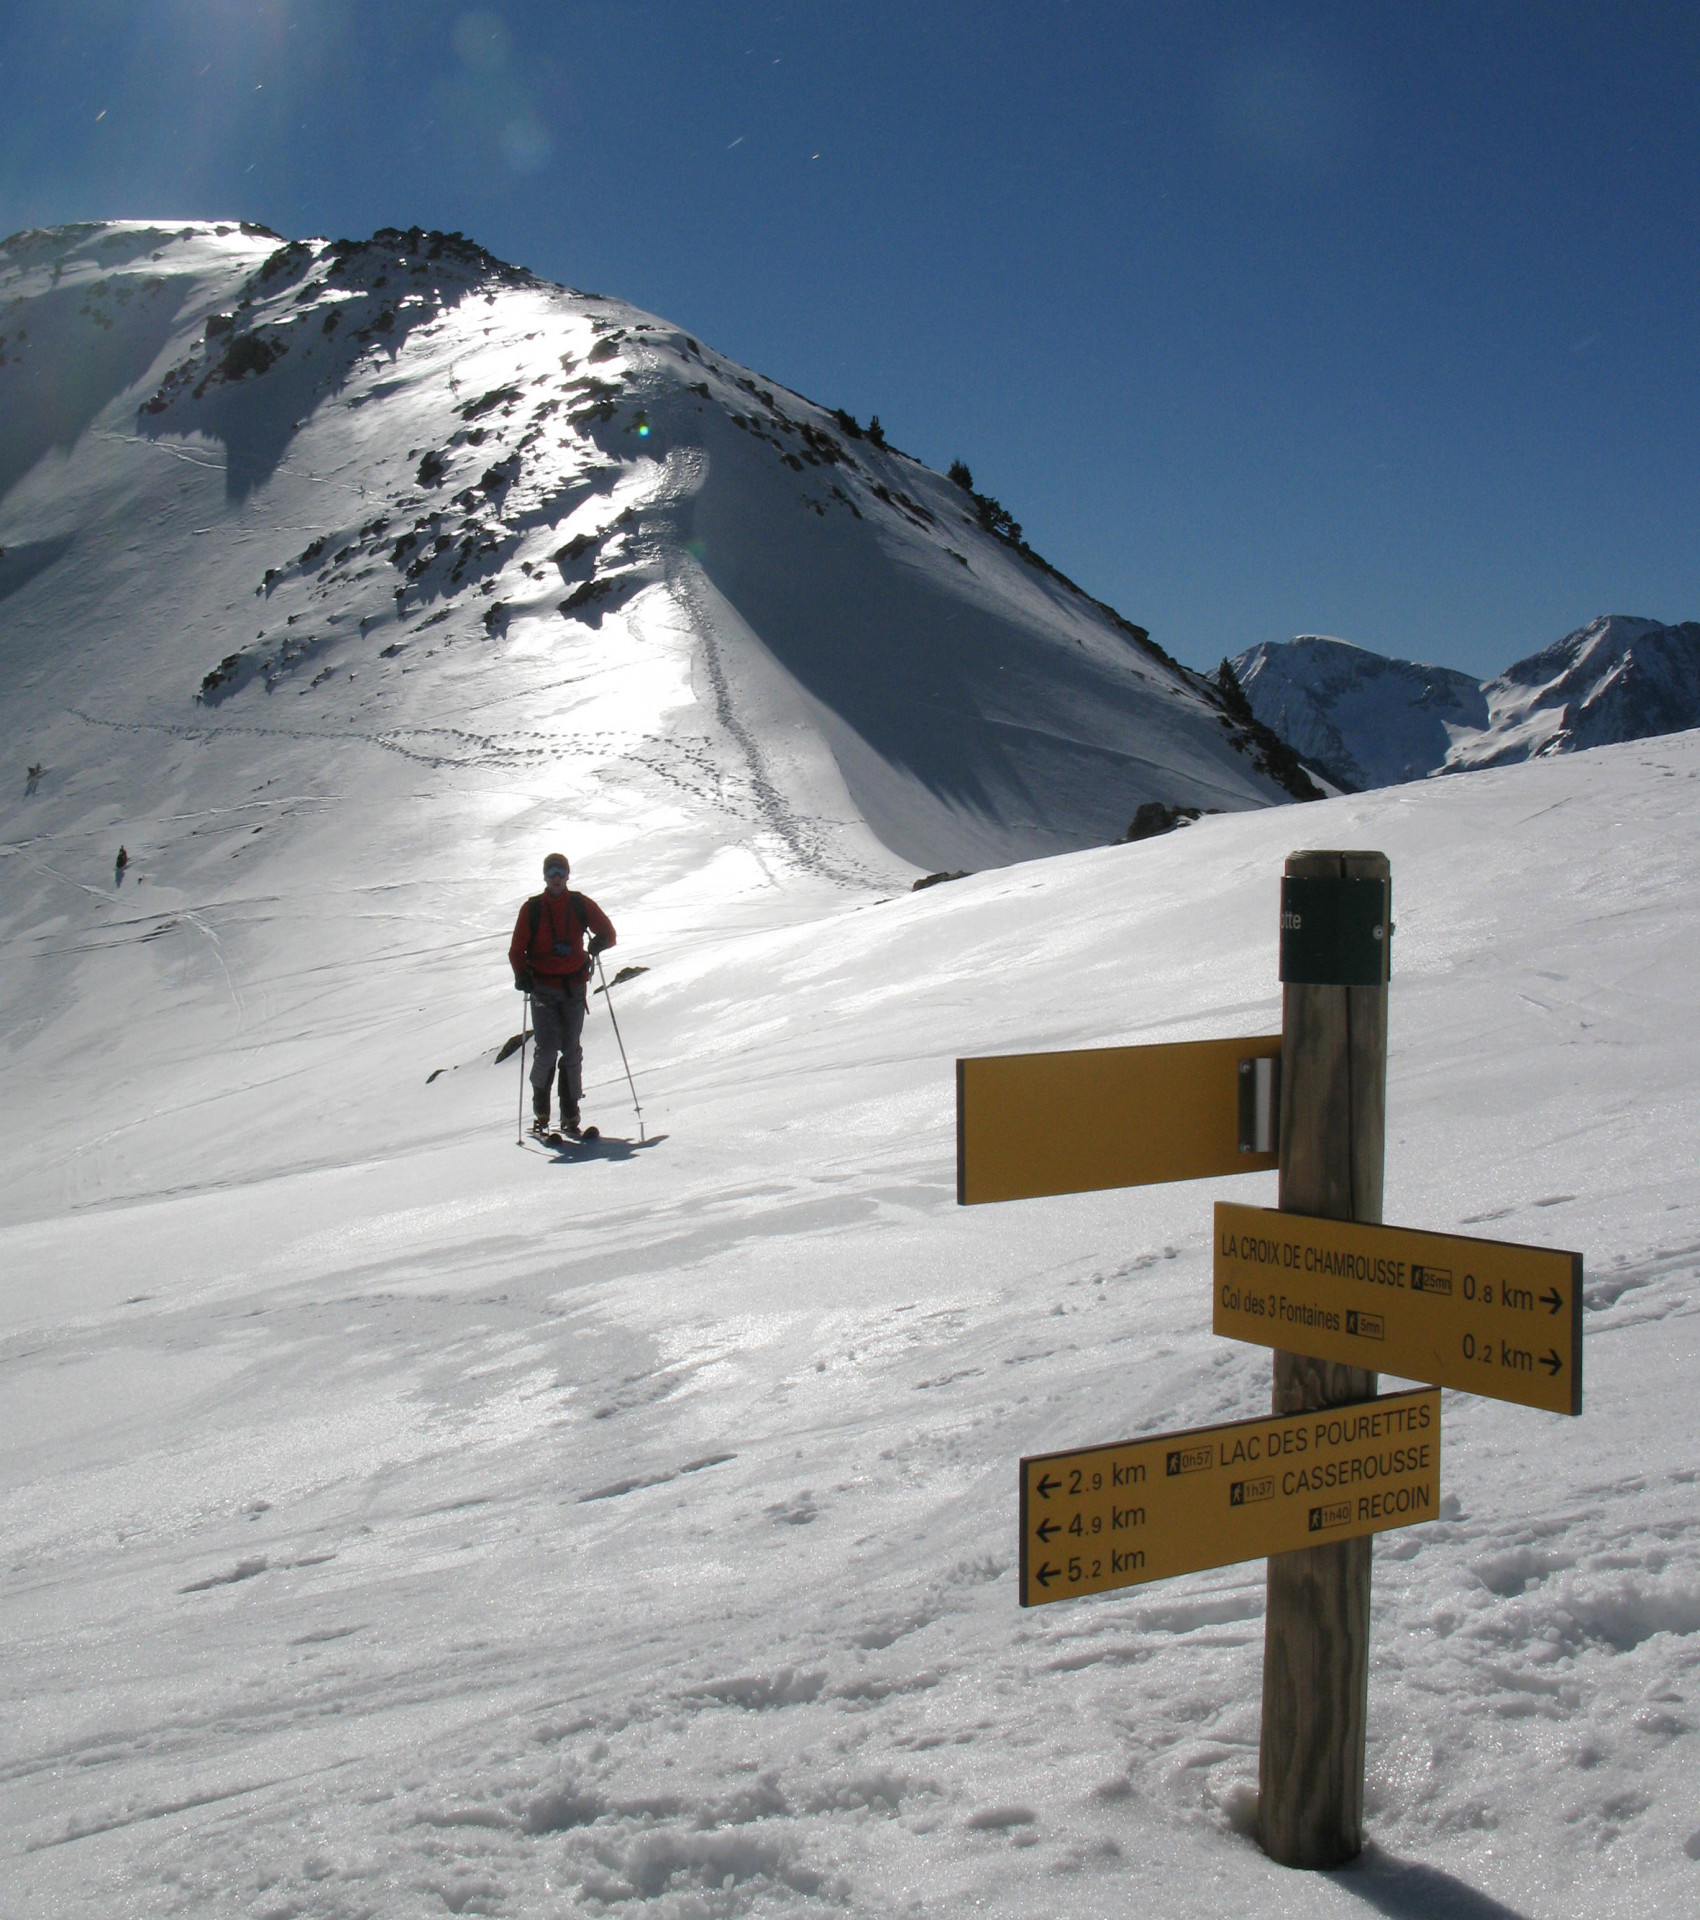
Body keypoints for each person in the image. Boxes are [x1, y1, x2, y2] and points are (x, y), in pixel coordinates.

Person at [508, 853, 616, 1137]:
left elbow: (608, 932)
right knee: (547, 1048)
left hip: (573, 987)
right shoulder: (532, 909)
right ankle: (542, 1113)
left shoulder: (579, 904)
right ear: (545, 876)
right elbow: (516, 950)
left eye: (560, 872)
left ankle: (570, 1114)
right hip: (543, 988)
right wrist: (522, 975)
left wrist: (600, 943)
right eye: (551, 872)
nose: (556, 877)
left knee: (571, 1049)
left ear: (567, 876)